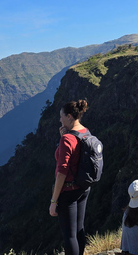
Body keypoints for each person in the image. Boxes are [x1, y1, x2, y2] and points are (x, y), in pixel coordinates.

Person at [49, 100, 92, 255]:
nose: (59, 120)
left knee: (69, 235)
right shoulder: (85, 131)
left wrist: (54, 201)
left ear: (68, 117)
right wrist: (63, 137)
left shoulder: (67, 139)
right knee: (79, 229)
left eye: (61, 116)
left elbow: (61, 173)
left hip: (68, 191)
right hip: (83, 187)